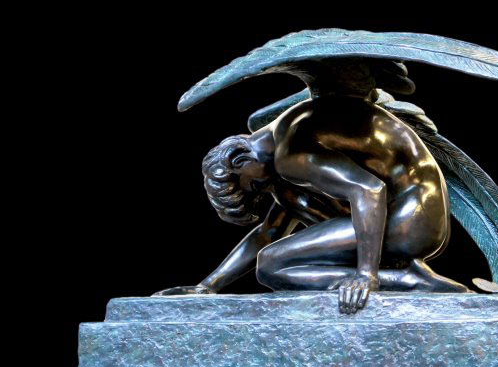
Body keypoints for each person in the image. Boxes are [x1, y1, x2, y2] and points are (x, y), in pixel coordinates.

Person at [153, 93, 471, 313]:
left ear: (239, 160)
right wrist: (208, 286)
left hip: (410, 221)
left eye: (255, 186)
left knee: (272, 265)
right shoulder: (284, 143)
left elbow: (369, 191)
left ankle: (408, 281)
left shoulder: (292, 154)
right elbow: (268, 232)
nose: (263, 190)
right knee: (279, 242)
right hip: (415, 216)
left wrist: (365, 275)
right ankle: (404, 275)